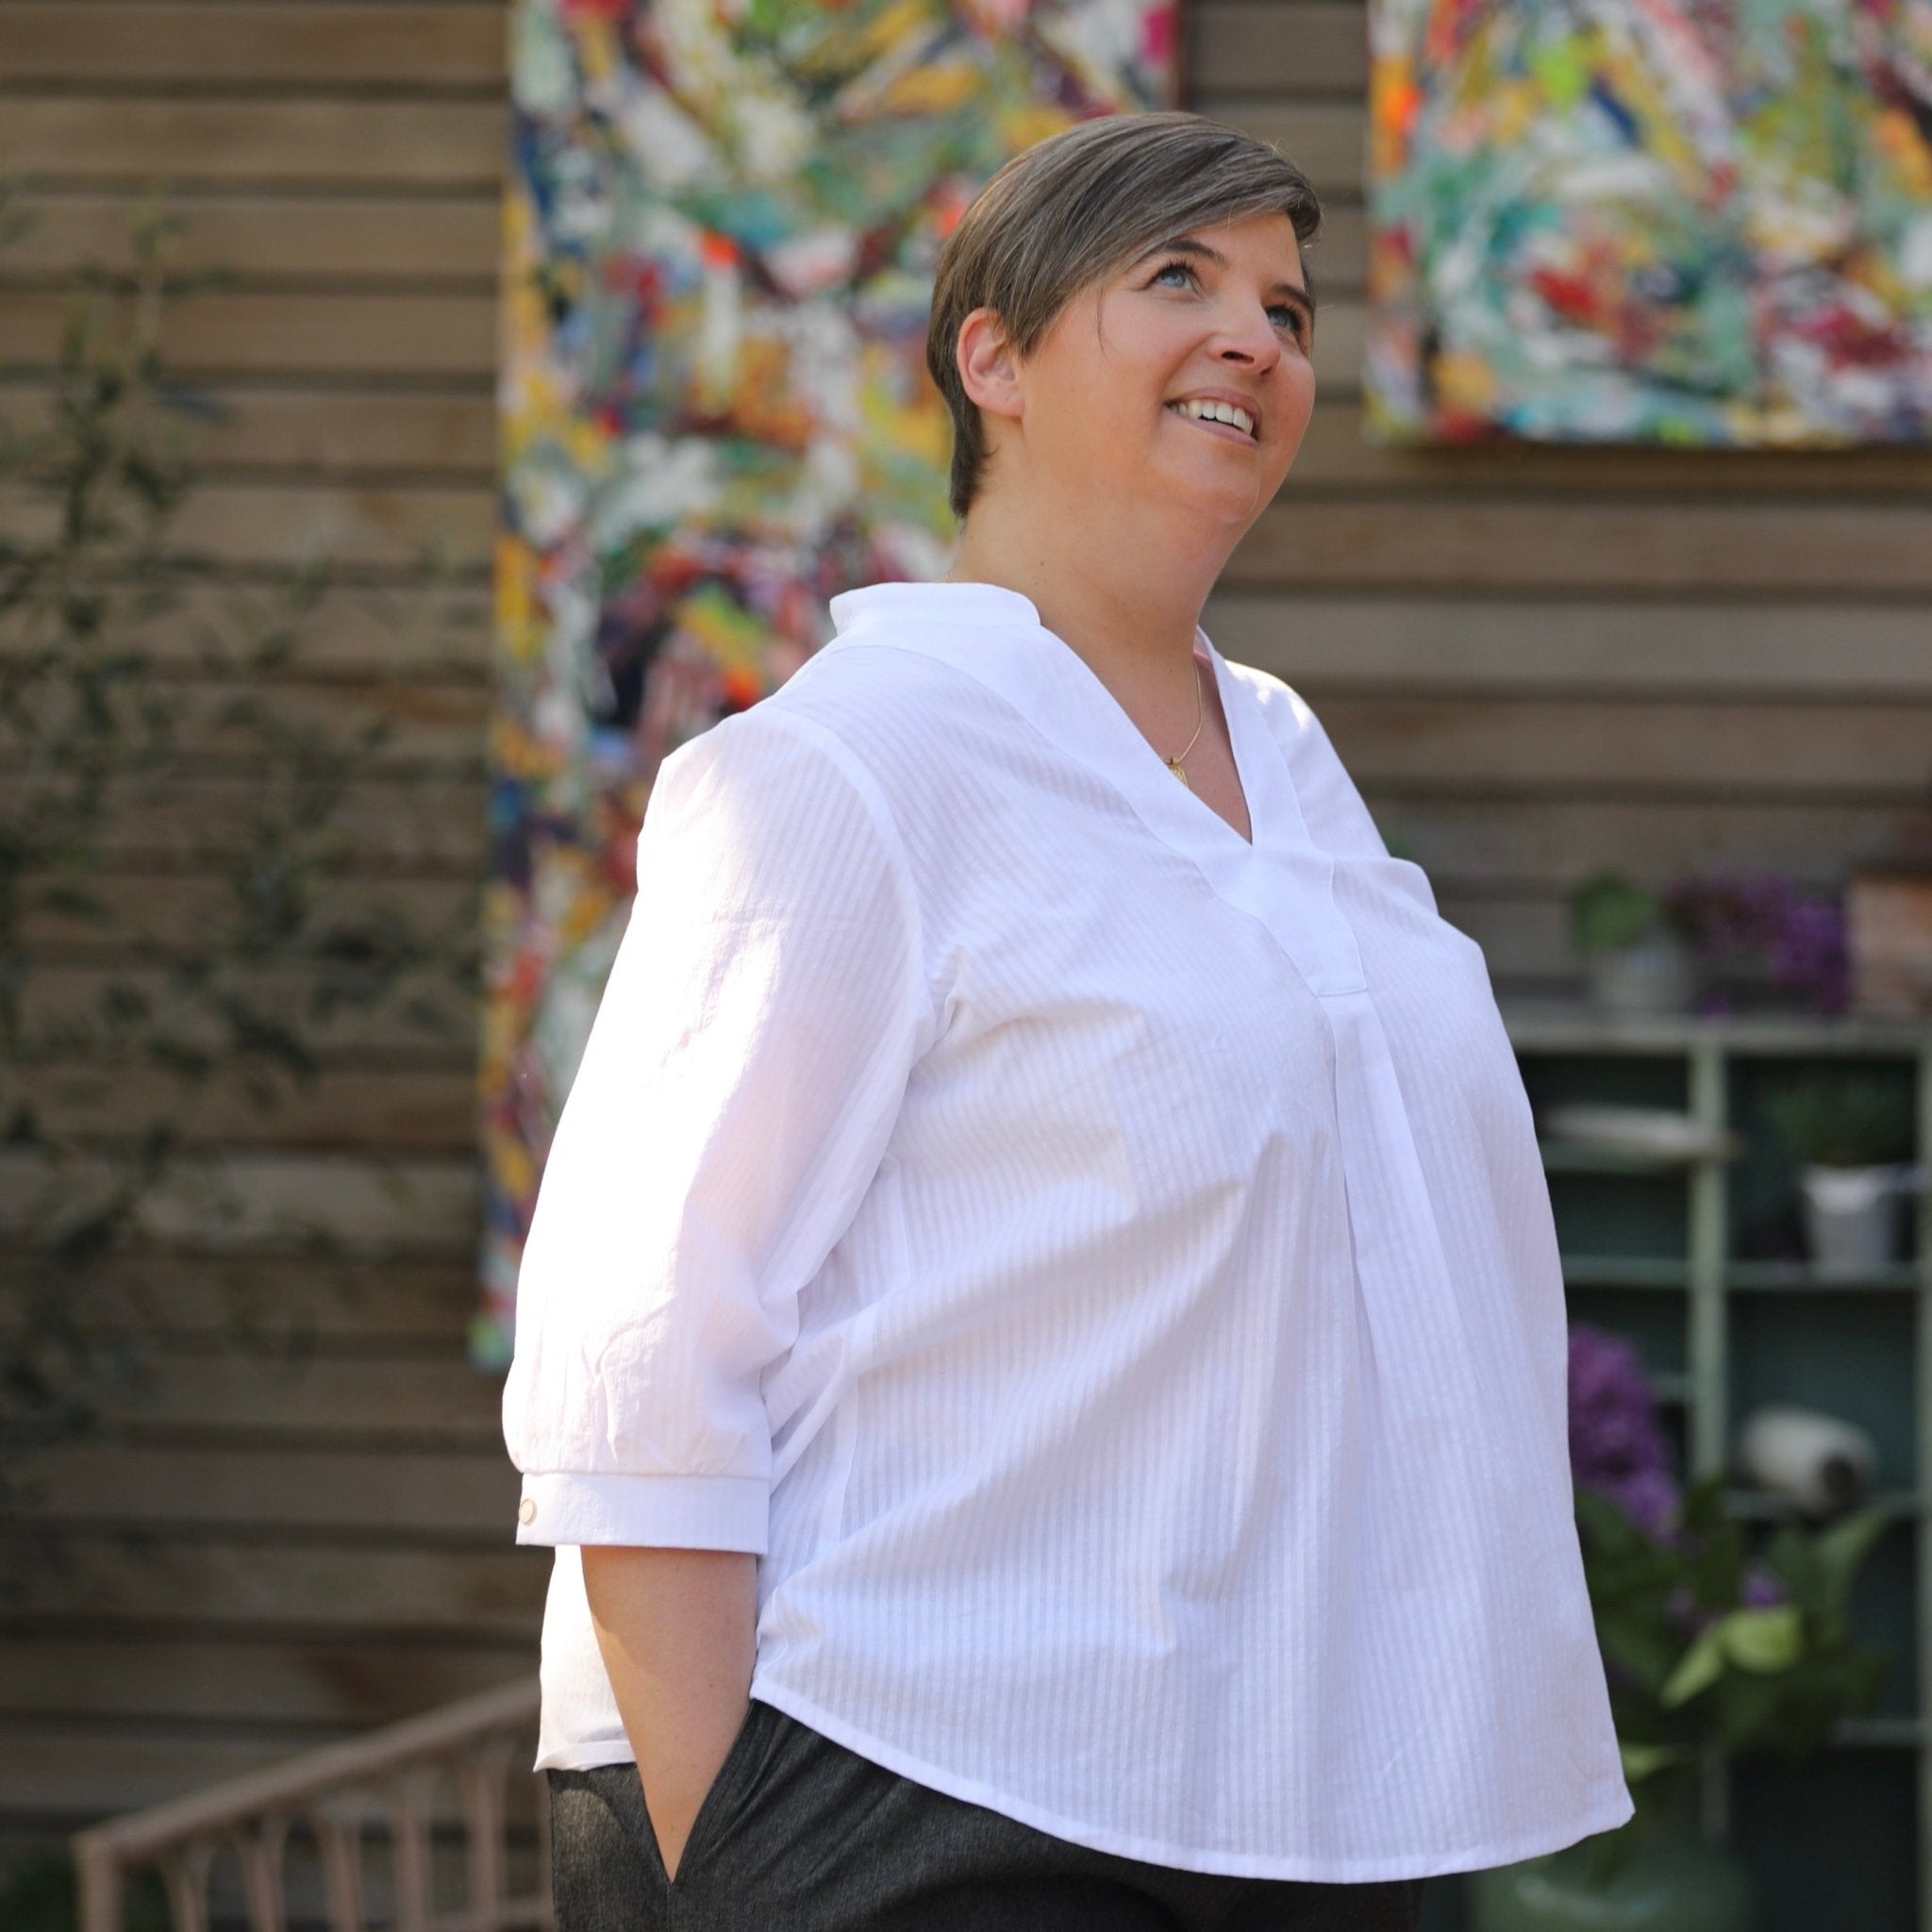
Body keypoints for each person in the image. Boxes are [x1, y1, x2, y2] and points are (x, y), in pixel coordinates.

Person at [503, 109, 1634, 1932]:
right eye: (1178, 277)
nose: (1253, 336)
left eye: (1288, 306)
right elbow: (639, 1352)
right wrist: (734, 1864)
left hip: (1287, 1795)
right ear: (995, 358)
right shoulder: (840, 770)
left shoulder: (1287, 760)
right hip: (908, 1779)